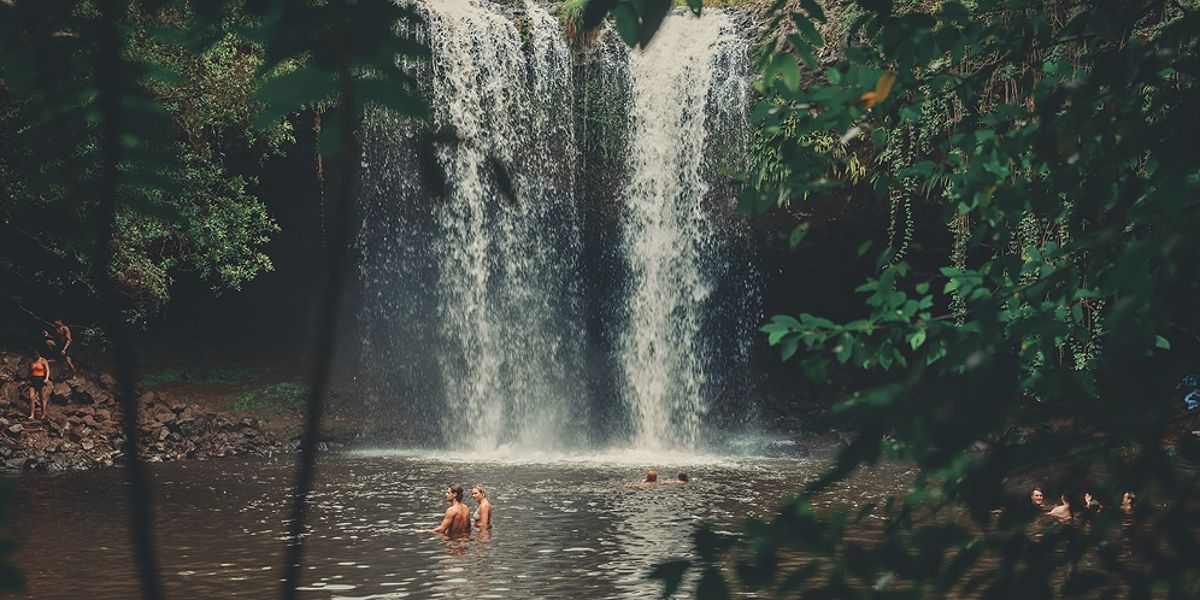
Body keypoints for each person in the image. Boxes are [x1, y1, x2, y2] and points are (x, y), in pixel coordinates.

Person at [25, 349, 51, 420]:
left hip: (41, 380)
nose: (35, 356)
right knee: (31, 397)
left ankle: (43, 414)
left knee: (42, 398)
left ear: (38, 354)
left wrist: (46, 378)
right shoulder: (31, 361)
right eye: (33, 355)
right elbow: (29, 371)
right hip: (33, 380)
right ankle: (32, 415)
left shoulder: (43, 360)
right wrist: (26, 380)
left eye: (36, 355)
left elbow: (48, 370)